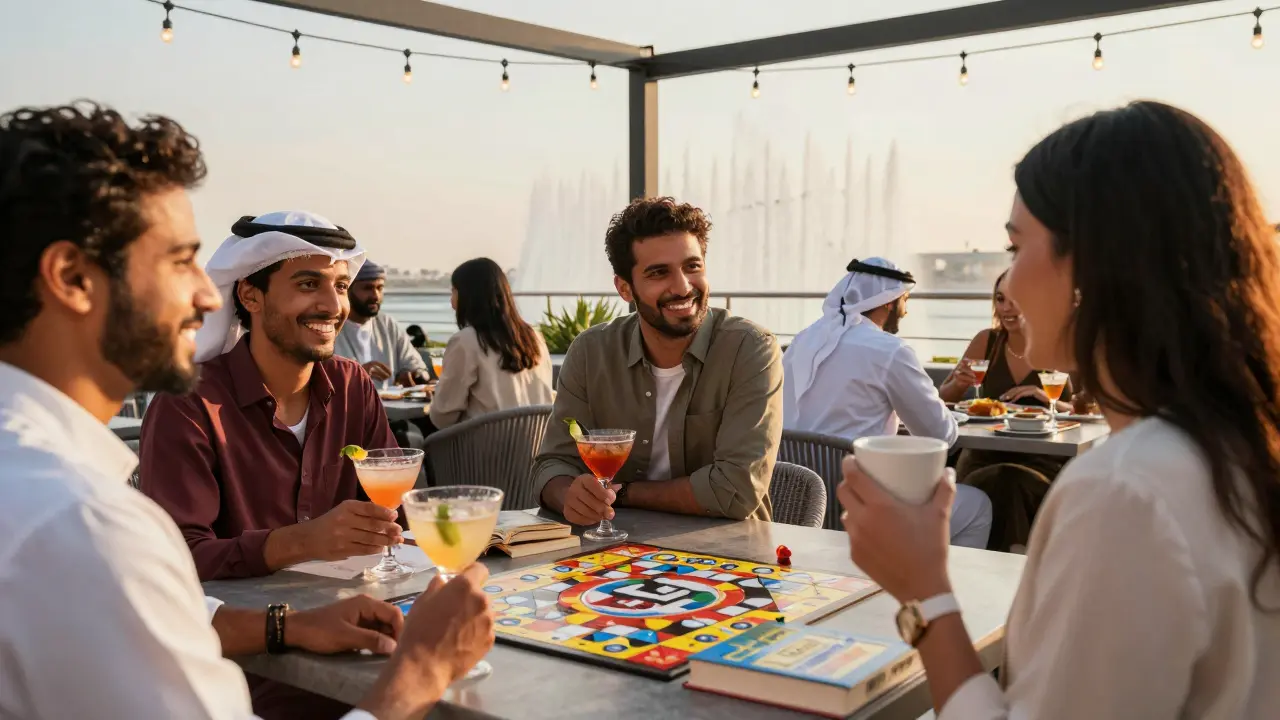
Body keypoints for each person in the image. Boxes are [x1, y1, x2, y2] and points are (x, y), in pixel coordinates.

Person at [0, 101, 493, 720]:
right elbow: (133, 572)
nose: (207, 295)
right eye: (180, 261)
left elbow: (148, 609)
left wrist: (285, 625)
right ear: (72, 278)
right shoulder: (83, 524)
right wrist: (424, 668)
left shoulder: (42, 493)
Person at [838, 101, 1280, 718]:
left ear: (1095, 267)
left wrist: (922, 589)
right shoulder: (1239, 447)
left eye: (1016, 248)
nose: (1008, 286)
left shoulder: (1125, 493)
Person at [139, 212, 406, 584]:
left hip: (346, 613)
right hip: (240, 630)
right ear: (250, 295)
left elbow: (398, 517)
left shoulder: (352, 386)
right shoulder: (188, 404)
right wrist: (301, 542)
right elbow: (177, 556)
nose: (333, 306)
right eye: (309, 284)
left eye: (341, 286)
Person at [535, 197, 783, 523]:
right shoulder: (591, 352)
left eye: (692, 267)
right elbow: (553, 463)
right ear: (625, 288)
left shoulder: (750, 350)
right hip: (607, 554)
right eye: (659, 273)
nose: (682, 287)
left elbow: (735, 490)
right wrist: (570, 495)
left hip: (727, 555)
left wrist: (621, 493)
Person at [783, 257, 991, 548]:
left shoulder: (802, 342)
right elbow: (941, 435)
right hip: (865, 506)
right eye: (905, 300)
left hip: (797, 504)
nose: (906, 311)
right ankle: (929, 588)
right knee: (977, 506)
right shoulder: (890, 350)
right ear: (889, 302)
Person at [429, 257, 554, 429]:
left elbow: (443, 417)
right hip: (535, 447)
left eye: (454, 291)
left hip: (486, 451)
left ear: (468, 296)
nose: (452, 303)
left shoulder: (465, 342)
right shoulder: (535, 338)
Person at [938, 269, 1072, 410]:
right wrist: (958, 384)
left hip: (1053, 432)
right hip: (994, 431)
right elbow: (941, 399)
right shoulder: (987, 340)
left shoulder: (1062, 344)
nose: (1006, 308)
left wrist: (1044, 398)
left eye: (1016, 299)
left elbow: (1088, 411)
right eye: (1001, 299)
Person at [335, 260, 432, 387]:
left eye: (379, 288)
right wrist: (357, 374)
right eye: (367, 288)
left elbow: (416, 366)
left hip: (388, 406)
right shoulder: (330, 328)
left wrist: (415, 375)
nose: (375, 296)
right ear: (347, 290)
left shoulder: (387, 324)